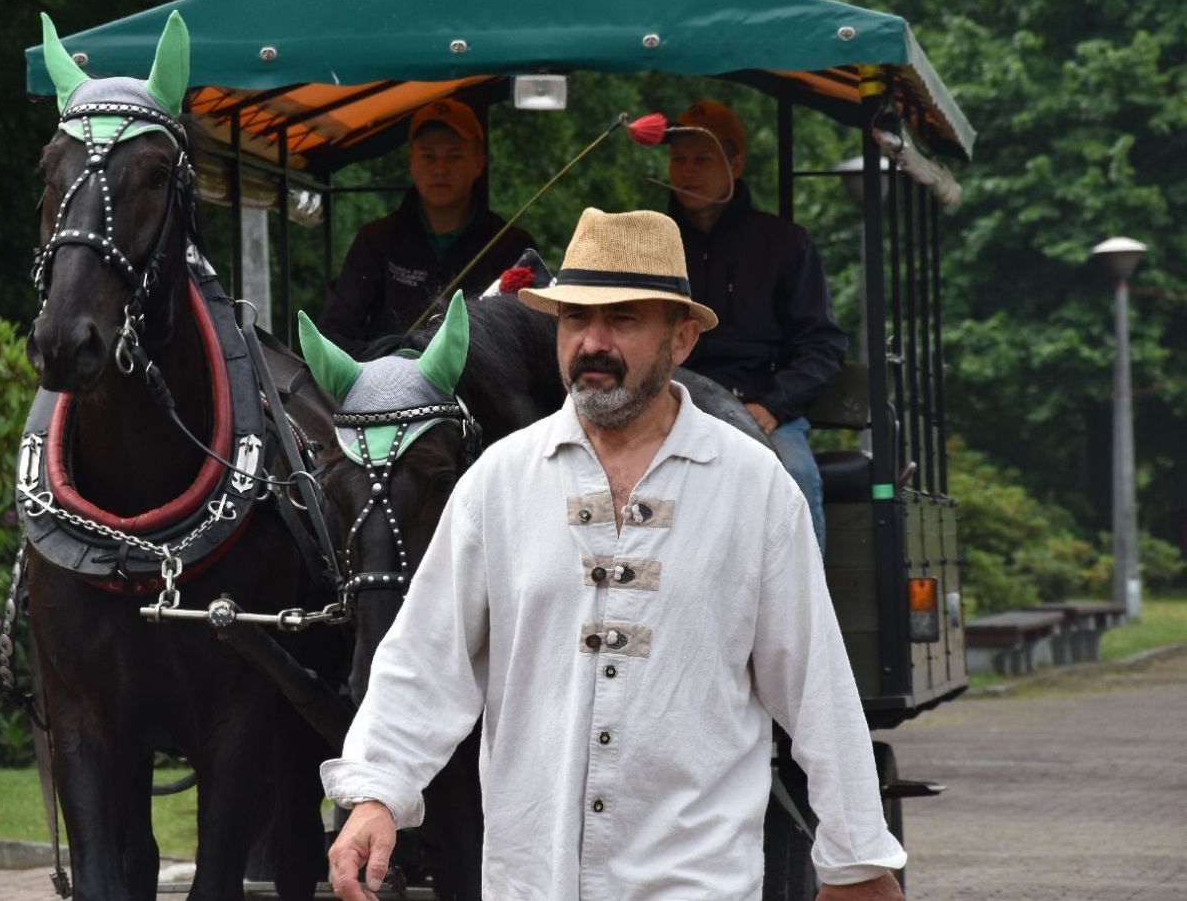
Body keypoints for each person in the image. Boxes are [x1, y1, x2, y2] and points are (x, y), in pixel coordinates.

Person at [322, 208, 905, 901]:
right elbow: (425, 660)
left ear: (681, 337)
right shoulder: (498, 484)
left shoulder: (754, 490)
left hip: (695, 883)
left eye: (623, 320)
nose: (592, 342)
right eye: (575, 321)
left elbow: (816, 687)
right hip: (531, 882)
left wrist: (857, 859)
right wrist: (376, 791)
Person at [664, 99, 847, 553]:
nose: (688, 170)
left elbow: (822, 345)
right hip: (668, 407)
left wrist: (772, 406)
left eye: (703, 159)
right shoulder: (652, 243)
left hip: (764, 410)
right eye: (679, 158)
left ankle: (807, 618)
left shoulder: (784, 243)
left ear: (736, 164)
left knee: (796, 475)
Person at [318, 98, 537, 351]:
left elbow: (528, 338)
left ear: (478, 163)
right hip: (388, 385)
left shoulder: (511, 247)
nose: (440, 168)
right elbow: (334, 331)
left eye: (454, 156)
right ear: (410, 160)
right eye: (428, 156)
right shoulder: (376, 240)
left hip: (479, 386)